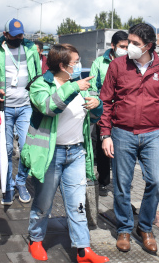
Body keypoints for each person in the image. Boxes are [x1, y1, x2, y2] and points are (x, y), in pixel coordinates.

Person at [21, 44, 108, 263]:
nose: (79, 66)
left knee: (78, 204)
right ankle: (36, 239)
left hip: (76, 153)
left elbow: (94, 114)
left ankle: (83, 249)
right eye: (75, 62)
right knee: (44, 202)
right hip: (51, 156)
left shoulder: (79, 84)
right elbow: (48, 107)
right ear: (61, 65)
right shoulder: (41, 85)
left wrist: (97, 104)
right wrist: (74, 88)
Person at [99, 23, 159, 255]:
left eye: (135, 44)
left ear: (148, 46)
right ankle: (124, 228)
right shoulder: (117, 66)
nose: (129, 47)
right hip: (122, 133)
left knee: (157, 181)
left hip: (152, 134)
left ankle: (145, 227)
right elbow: (106, 102)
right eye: (128, 41)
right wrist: (105, 134)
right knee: (122, 185)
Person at [0, 18, 41, 205]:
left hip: (26, 106)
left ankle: (21, 183)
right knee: (7, 149)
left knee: (27, 148)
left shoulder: (31, 50)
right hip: (5, 108)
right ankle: (8, 186)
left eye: (21, 34)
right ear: (5, 35)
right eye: (15, 35)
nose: (19, 38)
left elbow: (38, 76)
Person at [88, 30, 128, 197]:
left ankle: (122, 183)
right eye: (122, 47)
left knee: (123, 149)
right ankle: (104, 182)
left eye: (127, 47)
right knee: (103, 147)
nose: (125, 50)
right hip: (105, 111)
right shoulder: (99, 63)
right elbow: (92, 88)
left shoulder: (130, 63)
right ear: (113, 46)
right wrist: (99, 113)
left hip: (123, 113)